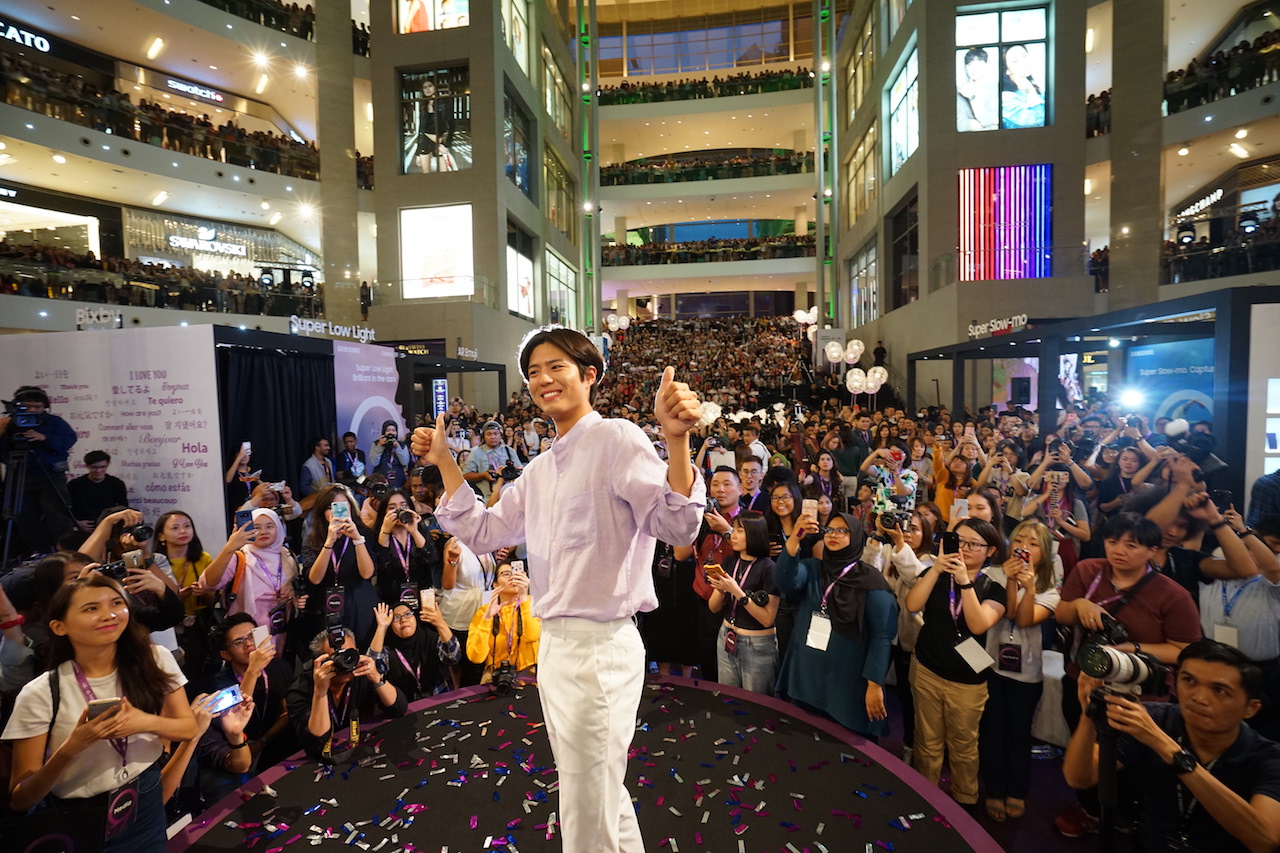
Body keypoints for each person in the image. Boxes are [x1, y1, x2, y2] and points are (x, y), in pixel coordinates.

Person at [410, 325, 704, 853]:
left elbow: (678, 526)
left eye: (556, 367)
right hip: (556, 647)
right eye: (533, 373)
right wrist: (446, 461)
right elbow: (482, 530)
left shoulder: (616, 437)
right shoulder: (541, 468)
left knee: (585, 805)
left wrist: (676, 440)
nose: (543, 379)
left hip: (601, 647)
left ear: (590, 375)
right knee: (594, 794)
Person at [3, 573, 197, 851]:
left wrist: (144, 721)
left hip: (146, 797)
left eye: (116, 603)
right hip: (79, 815)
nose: (109, 614)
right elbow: (21, 798)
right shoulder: (40, 693)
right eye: (91, 608)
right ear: (59, 626)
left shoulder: (155, 659)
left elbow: (188, 728)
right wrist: (72, 748)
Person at [1063, 641, 1280, 853]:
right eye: (1189, 681)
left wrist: (1166, 747)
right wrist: (1088, 717)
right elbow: (1079, 778)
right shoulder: (1155, 718)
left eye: (1220, 690)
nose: (1199, 698)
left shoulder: (1268, 758)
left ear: (1251, 708)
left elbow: (1264, 841)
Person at [905, 517, 1008, 810]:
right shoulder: (935, 574)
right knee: (927, 740)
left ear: (990, 551)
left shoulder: (993, 588)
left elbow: (978, 625)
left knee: (964, 746)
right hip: (926, 668)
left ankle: (965, 800)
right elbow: (912, 605)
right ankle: (926, 796)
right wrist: (937, 568)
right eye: (958, 541)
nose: (964, 549)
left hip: (967, 682)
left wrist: (964, 581)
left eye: (974, 544)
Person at [775, 510, 895, 736]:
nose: (834, 535)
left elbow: (883, 636)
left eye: (843, 531)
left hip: (846, 680)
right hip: (808, 673)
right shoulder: (812, 569)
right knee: (804, 737)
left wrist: (875, 683)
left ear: (857, 537)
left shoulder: (870, 581)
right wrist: (795, 537)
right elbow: (784, 580)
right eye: (830, 529)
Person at [978, 520, 1061, 822]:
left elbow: (1023, 619)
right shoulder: (993, 574)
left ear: (1045, 551)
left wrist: (1028, 587)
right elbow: (1006, 613)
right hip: (991, 666)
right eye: (1019, 540)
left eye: (1033, 543)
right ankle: (995, 789)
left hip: (1027, 674)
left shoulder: (1050, 588)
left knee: (1018, 732)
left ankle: (1017, 790)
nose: (1024, 547)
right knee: (991, 730)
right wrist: (1011, 581)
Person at [285, 626, 407, 761]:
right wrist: (320, 691)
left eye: (349, 654)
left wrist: (377, 678)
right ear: (320, 662)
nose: (345, 663)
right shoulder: (300, 690)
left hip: (360, 752)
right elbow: (316, 742)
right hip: (316, 762)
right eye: (337, 657)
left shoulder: (360, 674)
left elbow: (399, 708)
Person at [199, 509, 299, 652]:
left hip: (282, 631)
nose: (263, 531)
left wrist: (292, 597)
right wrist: (229, 548)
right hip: (247, 636)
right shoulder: (240, 557)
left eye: (270, 526)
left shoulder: (287, 556)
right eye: (256, 527)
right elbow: (207, 584)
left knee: (278, 671)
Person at [207, 613, 295, 767]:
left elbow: (287, 712)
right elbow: (235, 719)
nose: (248, 644)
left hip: (277, 742)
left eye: (252, 636)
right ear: (225, 654)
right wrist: (253, 671)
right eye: (238, 642)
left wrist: (262, 742)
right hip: (236, 750)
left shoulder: (279, 666)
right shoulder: (217, 683)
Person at [705, 512, 779, 694]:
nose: (733, 535)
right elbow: (713, 607)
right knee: (728, 699)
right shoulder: (730, 561)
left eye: (740, 531)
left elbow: (767, 619)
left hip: (756, 644)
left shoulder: (769, 568)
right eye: (733, 529)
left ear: (755, 534)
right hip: (726, 635)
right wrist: (721, 588)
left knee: (756, 705)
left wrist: (737, 592)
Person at [0, 385, 77, 555]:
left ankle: (65, 552)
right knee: (24, 518)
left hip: (50, 475)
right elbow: (3, 453)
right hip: (19, 475)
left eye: (38, 406)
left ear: (45, 407)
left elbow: (68, 441)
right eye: (28, 406)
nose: (33, 410)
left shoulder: (54, 422)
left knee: (55, 514)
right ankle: (39, 552)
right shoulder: (9, 424)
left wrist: (44, 438)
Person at [367, 599, 459, 700]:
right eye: (396, 618)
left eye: (407, 614)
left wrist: (440, 623)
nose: (403, 620)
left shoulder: (430, 638)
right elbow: (372, 670)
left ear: (415, 618)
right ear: (391, 626)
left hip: (438, 698)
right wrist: (381, 627)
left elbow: (453, 657)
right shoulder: (389, 648)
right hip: (404, 705)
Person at [466, 562, 541, 682]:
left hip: (528, 672)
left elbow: (532, 636)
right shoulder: (484, 611)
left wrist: (523, 598)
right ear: (495, 584)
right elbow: (475, 656)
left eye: (515, 573)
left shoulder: (532, 604)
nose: (512, 577)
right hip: (495, 675)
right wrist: (487, 618)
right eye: (506, 574)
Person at [68, 451, 130, 533]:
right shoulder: (74, 485)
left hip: (109, 529)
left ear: (108, 465)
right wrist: (76, 523)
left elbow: (123, 508)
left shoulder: (117, 484)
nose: (98, 470)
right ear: (87, 466)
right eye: (94, 467)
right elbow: (65, 509)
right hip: (83, 530)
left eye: (102, 467)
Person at [462, 420, 522, 500]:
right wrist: (483, 475)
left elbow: (519, 471)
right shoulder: (476, 453)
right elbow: (465, 475)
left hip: (509, 496)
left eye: (495, 433)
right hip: (486, 497)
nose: (493, 437)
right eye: (489, 434)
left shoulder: (509, 451)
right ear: (483, 437)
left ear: (500, 435)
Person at [368, 420, 410, 490]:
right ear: (384, 432)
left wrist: (397, 447)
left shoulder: (402, 445)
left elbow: (405, 462)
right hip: (381, 481)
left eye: (393, 430)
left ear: (396, 432)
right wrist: (380, 446)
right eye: (388, 430)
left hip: (398, 481)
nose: (391, 433)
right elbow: (373, 462)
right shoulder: (376, 444)